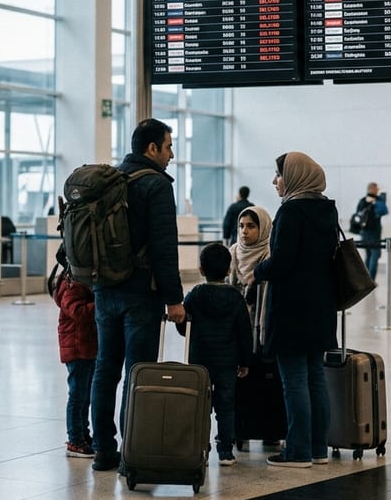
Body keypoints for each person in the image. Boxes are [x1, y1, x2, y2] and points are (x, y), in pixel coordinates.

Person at [90, 118, 185, 472]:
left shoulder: (110, 181)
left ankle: (103, 449)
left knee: (105, 368)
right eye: (168, 146)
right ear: (152, 149)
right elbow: (164, 247)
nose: (171, 154)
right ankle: (131, 450)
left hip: (104, 290)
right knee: (137, 371)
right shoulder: (156, 186)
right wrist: (174, 300)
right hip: (139, 294)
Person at [254, 151, 337, 468]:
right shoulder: (326, 211)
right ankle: (318, 448)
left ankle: (298, 451)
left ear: (294, 177)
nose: (275, 181)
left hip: (291, 307)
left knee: (294, 382)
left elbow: (282, 263)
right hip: (321, 305)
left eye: (278, 174)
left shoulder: (291, 212)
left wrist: (259, 270)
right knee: (315, 377)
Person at [178, 243, 252, 466]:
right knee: (226, 406)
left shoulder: (194, 296)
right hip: (227, 361)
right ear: (229, 270)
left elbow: (184, 328)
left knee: (201, 405)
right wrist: (245, 361)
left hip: (200, 360)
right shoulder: (236, 297)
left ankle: (202, 447)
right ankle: (226, 451)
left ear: (201, 270)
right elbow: (244, 332)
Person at [52, 247, 98, 459]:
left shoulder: (80, 282)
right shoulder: (71, 285)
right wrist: (99, 304)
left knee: (85, 395)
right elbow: (78, 312)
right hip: (77, 347)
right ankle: (74, 439)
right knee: (78, 395)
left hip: (86, 346)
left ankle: (83, 434)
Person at [229, 205, 273, 302]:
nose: (244, 231)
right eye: (241, 226)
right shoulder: (233, 251)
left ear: (263, 228)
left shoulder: (269, 254)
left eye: (251, 226)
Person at [354, 183, 388, 281]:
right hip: (374, 232)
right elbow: (384, 211)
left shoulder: (362, 201)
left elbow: (357, 214)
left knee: (368, 255)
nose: (377, 190)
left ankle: (366, 279)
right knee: (375, 255)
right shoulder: (377, 201)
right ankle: (371, 279)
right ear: (372, 189)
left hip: (364, 232)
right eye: (376, 188)